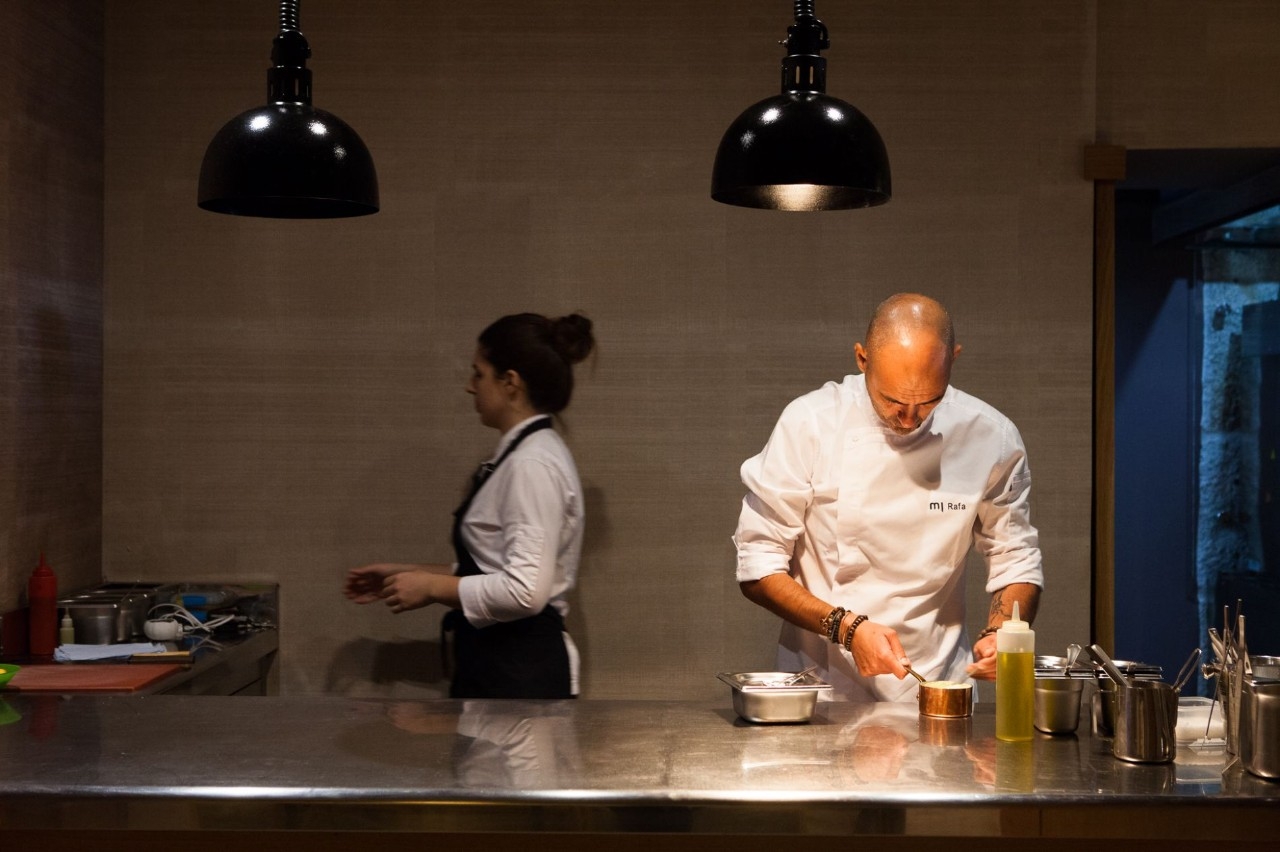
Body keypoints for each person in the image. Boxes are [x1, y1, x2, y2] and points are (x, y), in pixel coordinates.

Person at [732, 293, 1043, 702]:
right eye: (892, 400)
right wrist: (847, 628)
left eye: (928, 401)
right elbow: (757, 565)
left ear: (954, 359)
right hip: (823, 687)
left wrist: (1002, 633)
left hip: (935, 684)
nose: (909, 418)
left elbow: (1015, 556)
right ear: (862, 359)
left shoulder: (991, 437)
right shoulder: (810, 423)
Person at [345, 312, 595, 699]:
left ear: (510, 382)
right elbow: (495, 565)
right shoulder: (524, 456)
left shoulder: (531, 464)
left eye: (478, 374)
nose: (469, 386)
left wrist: (431, 587)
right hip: (506, 670)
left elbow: (525, 591)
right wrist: (409, 572)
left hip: (521, 676)